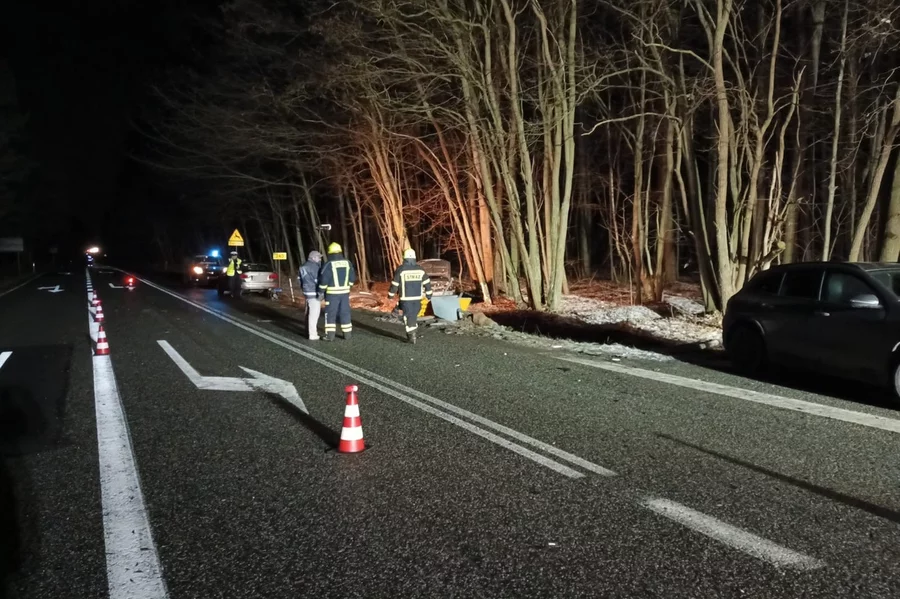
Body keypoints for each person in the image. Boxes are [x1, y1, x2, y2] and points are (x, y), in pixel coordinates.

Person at [388, 248, 432, 344]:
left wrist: (390, 295)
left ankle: (411, 335)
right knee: (413, 315)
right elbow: (427, 283)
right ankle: (412, 332)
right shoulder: (420, 270)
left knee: (408, 317)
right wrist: (429, 295)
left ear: (405, 258)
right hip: (417, 298)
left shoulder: (401, 269)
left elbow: (395, 284)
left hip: (405, 298)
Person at [317, 242, 356, 341]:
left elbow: (324, 279)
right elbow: (352, 278)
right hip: (344, 293)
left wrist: (321, 291)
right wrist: (348, 287)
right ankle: (347, 335)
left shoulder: (328, 264)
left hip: (332, 294)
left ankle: (330, 336)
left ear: (330, 252)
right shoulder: (348, 263)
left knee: (330, 314)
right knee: (345, 312)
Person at [299, 250, 323, 340]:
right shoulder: (315, 267)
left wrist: (303, 288)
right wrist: (321, 292)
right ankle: (313, 334)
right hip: (314, 292)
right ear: (313, 258)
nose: (320, 259)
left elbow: (299, 279)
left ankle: (307, 331)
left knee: (308, 312)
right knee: (314, 314)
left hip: (306, 291)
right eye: (318, 257)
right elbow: (318, 280)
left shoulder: (303, 266)